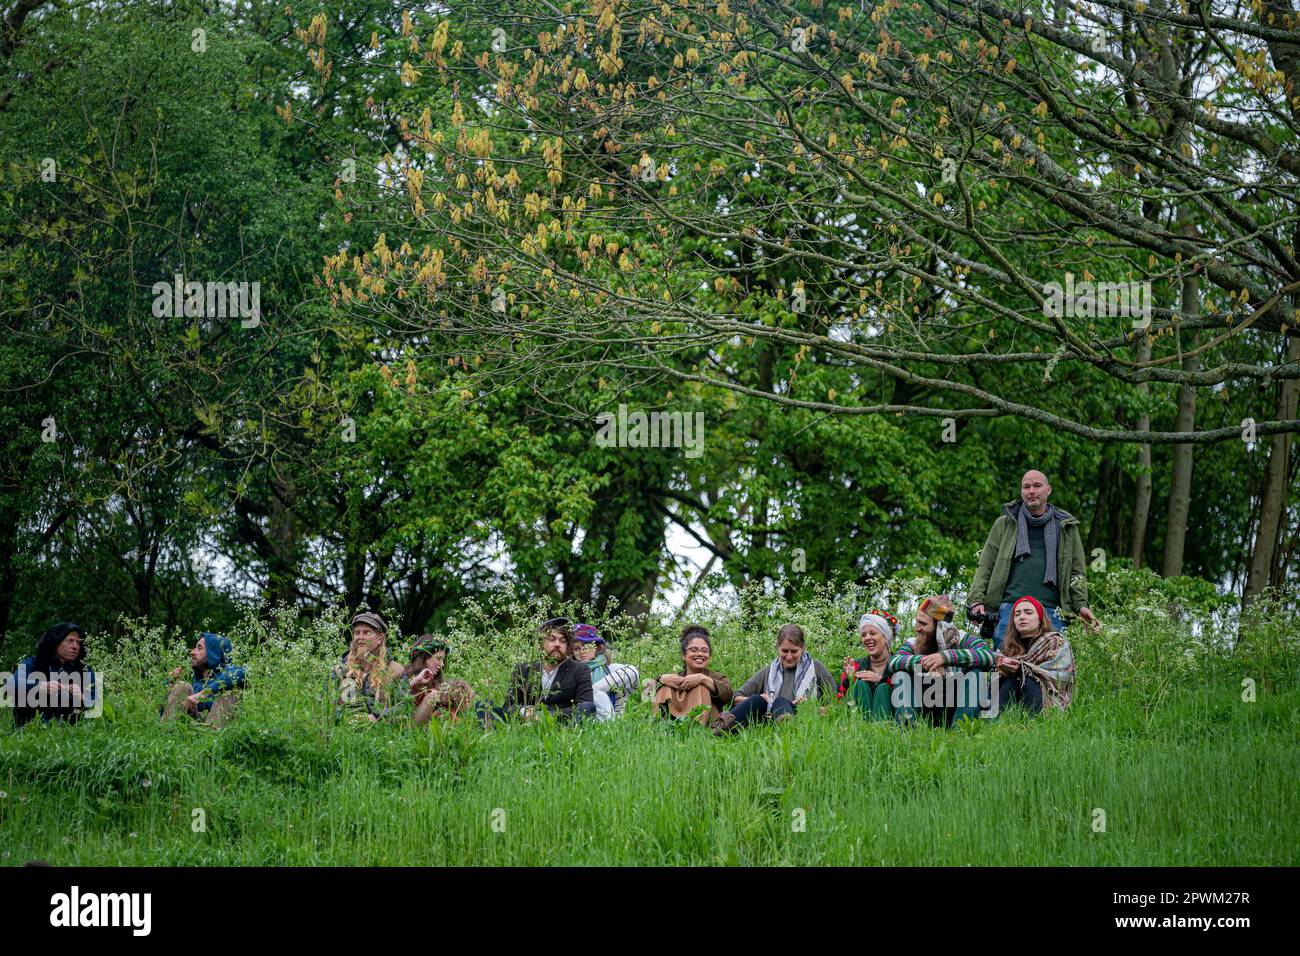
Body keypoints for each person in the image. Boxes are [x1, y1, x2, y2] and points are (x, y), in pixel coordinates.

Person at [968, 470, 1099, 648]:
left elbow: (1077, 572)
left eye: (1037, 486)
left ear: (1048, 490)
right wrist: (976, 600)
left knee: (1051, 670)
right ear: (1021, 491)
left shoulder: (1066, 528)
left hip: (1053, 611)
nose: (1031, 491)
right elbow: (985, 565)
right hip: (1009, 610)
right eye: (1026, 486)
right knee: (1006, 666)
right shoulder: (1004, 523)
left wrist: (1081, 605)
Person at [889, 595, 995, 726]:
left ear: (940, 627)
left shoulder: (962, 639)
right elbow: (893, 662)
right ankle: (906, 727)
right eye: (917, 622)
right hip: (925, 708)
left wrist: (945, 657)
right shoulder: (913, 643)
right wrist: (928, 662)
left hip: (956, 707)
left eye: (923, 623)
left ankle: (962, 730)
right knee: (901, 674)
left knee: (976, 673)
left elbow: (988, 656)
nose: (917, 628)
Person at [711, 624, 835, 735]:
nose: (789, 656)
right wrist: (763, 698)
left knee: (781, 701)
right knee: (756, 699)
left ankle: (789, 727)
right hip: (769, 720)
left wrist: (810, 707)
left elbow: (836, 702)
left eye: (794, 651)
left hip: (803, 717)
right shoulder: (768, 671)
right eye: (785, 651)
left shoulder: (816, 667)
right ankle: (722, 729)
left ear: (802, 648)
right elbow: (736, 697)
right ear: (778, 648)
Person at [496, 617, 595, 723]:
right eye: (551, 639)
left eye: (563, 641)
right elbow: (508, 706)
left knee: (588, 707)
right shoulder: (522, 669)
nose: (557, 644)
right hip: (525, 723)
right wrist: (524, 711)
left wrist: (545, 717)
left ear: (568, 646)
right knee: (484, 705)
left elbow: (586, 704)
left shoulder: (580, 669)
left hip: (561, 724)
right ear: (541, 643)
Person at [994, 596, 1076, 715]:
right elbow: (991, 686)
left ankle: (1035, 723)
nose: (1022, 617)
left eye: (1028, 613)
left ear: (1040, 618)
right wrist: (1000, 672)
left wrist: (1021, 668)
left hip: (1047, 699)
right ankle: (998, 723)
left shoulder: (1056, 642)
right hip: (1012, 698)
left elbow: (1060, 677)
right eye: (1017, 614)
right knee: (1009, 680)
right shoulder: (1007, 649)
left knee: (1029, 680)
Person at [7, 622, 98, 728]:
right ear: (56, 642)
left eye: (78, 643)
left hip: (70, 735)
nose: (75, 647)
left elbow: (96, 702)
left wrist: (83, 698)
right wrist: (39, 686)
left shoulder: (84, 668)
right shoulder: (33, 663)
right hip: (30, 730)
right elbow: (10, 686)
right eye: (70, 641)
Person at [329, 611, 406, 723]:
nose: (360, 637)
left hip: (381, 733)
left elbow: (404, 706)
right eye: (357, 633)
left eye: (366, 633)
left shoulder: (396, 670)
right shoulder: (341, 668)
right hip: (343, 733)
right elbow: (325, 702)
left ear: (379, 639)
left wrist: (377, 716)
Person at [651, 624, 733, 726]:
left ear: (709, 656)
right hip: (670, 727)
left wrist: (703, 679)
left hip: (707, 728)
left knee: (701, 687)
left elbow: (728, 695)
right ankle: (658, 726)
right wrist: (660, 679)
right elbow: (644, 696)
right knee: (663, 686)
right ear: (683, 655)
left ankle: (697, 729)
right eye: (693, 650)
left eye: (704, 651)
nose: (699, 654)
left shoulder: (717, 677)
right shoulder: (673, 678)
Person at [161, 632, 246, 728]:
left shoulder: (229, 672)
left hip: (217, 731)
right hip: (190, 728)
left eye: (199, 648)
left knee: (231, 690)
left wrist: (204, 693)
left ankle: (210, 737)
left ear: (213, 652)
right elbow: (160, 711)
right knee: (182, 685)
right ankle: (166, 733)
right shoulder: (193, 680)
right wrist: (169, 682)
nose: (192, 652)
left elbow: (244, 672)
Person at [836, 610, 901, 721]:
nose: (867, 638)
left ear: (886, 637)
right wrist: (850, 680)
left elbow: (905, 694)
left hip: (891, 721)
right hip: (857, 725)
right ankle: (862, 729)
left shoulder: (898, 664)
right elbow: (839, 700)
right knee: (860, 685)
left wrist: (881, 679)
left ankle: (882, 729)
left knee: (883, 688)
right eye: (863, 635)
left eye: (873, 633)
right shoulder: (855, 665)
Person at [573, 623, 639, 721]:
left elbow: (633, 673)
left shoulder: (610, 669)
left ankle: (607, 728)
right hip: (579, 721)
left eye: (586, 645)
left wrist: (591, 690)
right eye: (577, 648)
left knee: (599, 695)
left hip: (611, 723)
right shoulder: (570, 673)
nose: (582, 651)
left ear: (597, 647)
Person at [406, 635, 473, 725]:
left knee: (461, 688)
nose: (442, 664)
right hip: (408, 724)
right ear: (424, 658)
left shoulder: (435, 681)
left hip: (431, 726)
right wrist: (415, 681)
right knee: (433, 695)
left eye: (443, 660)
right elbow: (395, 697)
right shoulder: (404, 675)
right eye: (438, 659)